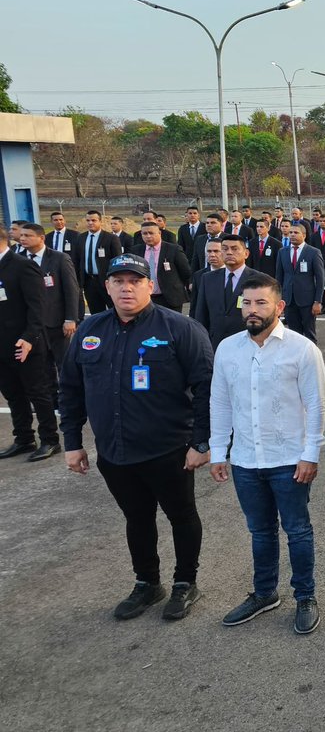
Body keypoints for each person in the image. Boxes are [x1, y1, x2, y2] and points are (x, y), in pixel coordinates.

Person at [60, 253, 213, 621]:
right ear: (107, 287)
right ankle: (147, 582)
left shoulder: (179, 328)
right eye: (119, 281)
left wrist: (202, 441)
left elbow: (208, 388)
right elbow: (70, 387)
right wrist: (72, 442)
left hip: (169, 449)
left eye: (135, 281)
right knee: (137, 518)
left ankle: (184, 583)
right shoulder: (90, 329)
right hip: (114, 451)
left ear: (149, 285)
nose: (126, 288)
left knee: (181, 515)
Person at [207, 274, 325, 634]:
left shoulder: (302, 349)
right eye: (247, 303)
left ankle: (305, 596)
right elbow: (220, 402)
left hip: (289, 459)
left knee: (297, 531)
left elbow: (317, 405)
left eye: (261, 303)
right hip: (245, 459)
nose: (253, 310)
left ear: (279, 307)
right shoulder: (228, 348)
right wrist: (217, 451)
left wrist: (311, 455)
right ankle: (264, 593)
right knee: (260, 531)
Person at [0, 228, 60, 462]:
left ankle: (50, 439)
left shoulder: (21, 265)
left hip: (25, 343)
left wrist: (29, 337)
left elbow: (38, 307)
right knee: (13, 395)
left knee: (38, 392)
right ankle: (24, 438)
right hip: (1, 345)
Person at [17, 223, 80, 410]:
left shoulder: (59, 259)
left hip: (57, 322)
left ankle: (70, 400)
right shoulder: (18, 260)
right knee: (42, 367)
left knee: (64, 364)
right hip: (33, 325)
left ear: (41, 238)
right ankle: (52, 401)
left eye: (27, 235)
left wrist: (71, 318)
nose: (22, 239)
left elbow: (71, 290)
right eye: (21, 236)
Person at [193, 235, 268, 350]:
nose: (229, 252)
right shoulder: (207, 278)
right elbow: (201, 314)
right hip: (215, 344)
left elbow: (266, 315)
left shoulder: (260, 279)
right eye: (225, 249)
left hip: (249, 343)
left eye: (234, 249)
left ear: (246, 254)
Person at [275, 223, 324, 343]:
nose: (292, 235)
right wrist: (278, 299)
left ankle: (311, 359)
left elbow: (320, 278)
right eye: (290, 232)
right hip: (289, 300)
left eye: (296, 233)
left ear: (304, 235)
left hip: (307, 300)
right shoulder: (282, 252)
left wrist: (317, 301)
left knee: (309, 334)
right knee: (293, 334)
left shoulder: (313, 252)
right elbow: (279, 277)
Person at [131, 221, 191, 314]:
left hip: (170, 298)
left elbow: (185, 272)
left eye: (151, 233)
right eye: (145, 233)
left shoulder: (173, 249)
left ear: (159, 233)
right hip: (145, 298)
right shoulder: (136, 250)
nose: (148, 236)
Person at [78, 210, 124, 315]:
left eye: (93, 220)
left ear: (100, 222)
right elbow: (77, 260)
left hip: (107, 281)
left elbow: (117, 260)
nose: (90, 223)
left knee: (115, 311)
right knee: (96, 314)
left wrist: (115, 280)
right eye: (88, 220)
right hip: (89, 282)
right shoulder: (81, 238)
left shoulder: (111, 238)